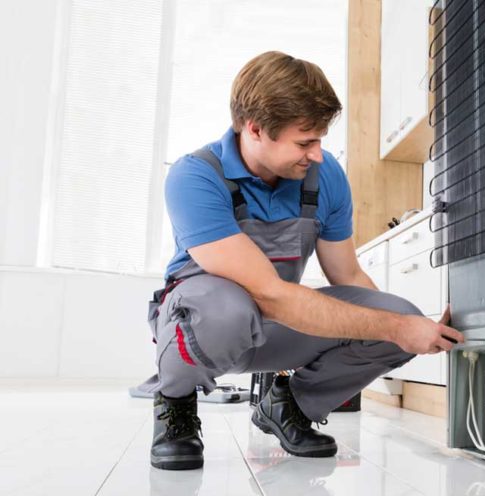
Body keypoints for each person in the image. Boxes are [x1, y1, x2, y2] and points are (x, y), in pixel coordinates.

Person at [139, 51, 464, 470]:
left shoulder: (325, 175)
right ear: (255, 129)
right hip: (208, 323)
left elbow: (346, 274)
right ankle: (176, 405)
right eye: (305, 141)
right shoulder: (195, 177)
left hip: (277, 323)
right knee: (225, 309)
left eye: (321, 139)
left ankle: (290, 404)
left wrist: (406, 329)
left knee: (396, 315)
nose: (316, 153)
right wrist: (400, 329)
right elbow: (269, 293)